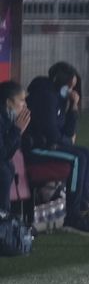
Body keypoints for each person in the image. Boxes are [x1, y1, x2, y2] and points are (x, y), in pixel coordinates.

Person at [23, 62, 89, 234]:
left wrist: (73, 108)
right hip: (35, 148)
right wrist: (66, 141)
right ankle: (72, 216)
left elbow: (67, 132)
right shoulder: (45, 96)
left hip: (50, 146)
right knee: (77, 158)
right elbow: (53, 135)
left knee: (87, 154)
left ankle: (82, 209)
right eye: (69, 86)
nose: (72, 91)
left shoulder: (60, 99)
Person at [1, 81, 29, 215]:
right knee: (4, 171)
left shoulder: (9, 120)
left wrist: (18, 132)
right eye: (22, 100)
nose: (25, 105)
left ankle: (6, 217)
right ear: (8, 102)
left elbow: (8, 153)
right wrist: (16, 131)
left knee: (8, 168)